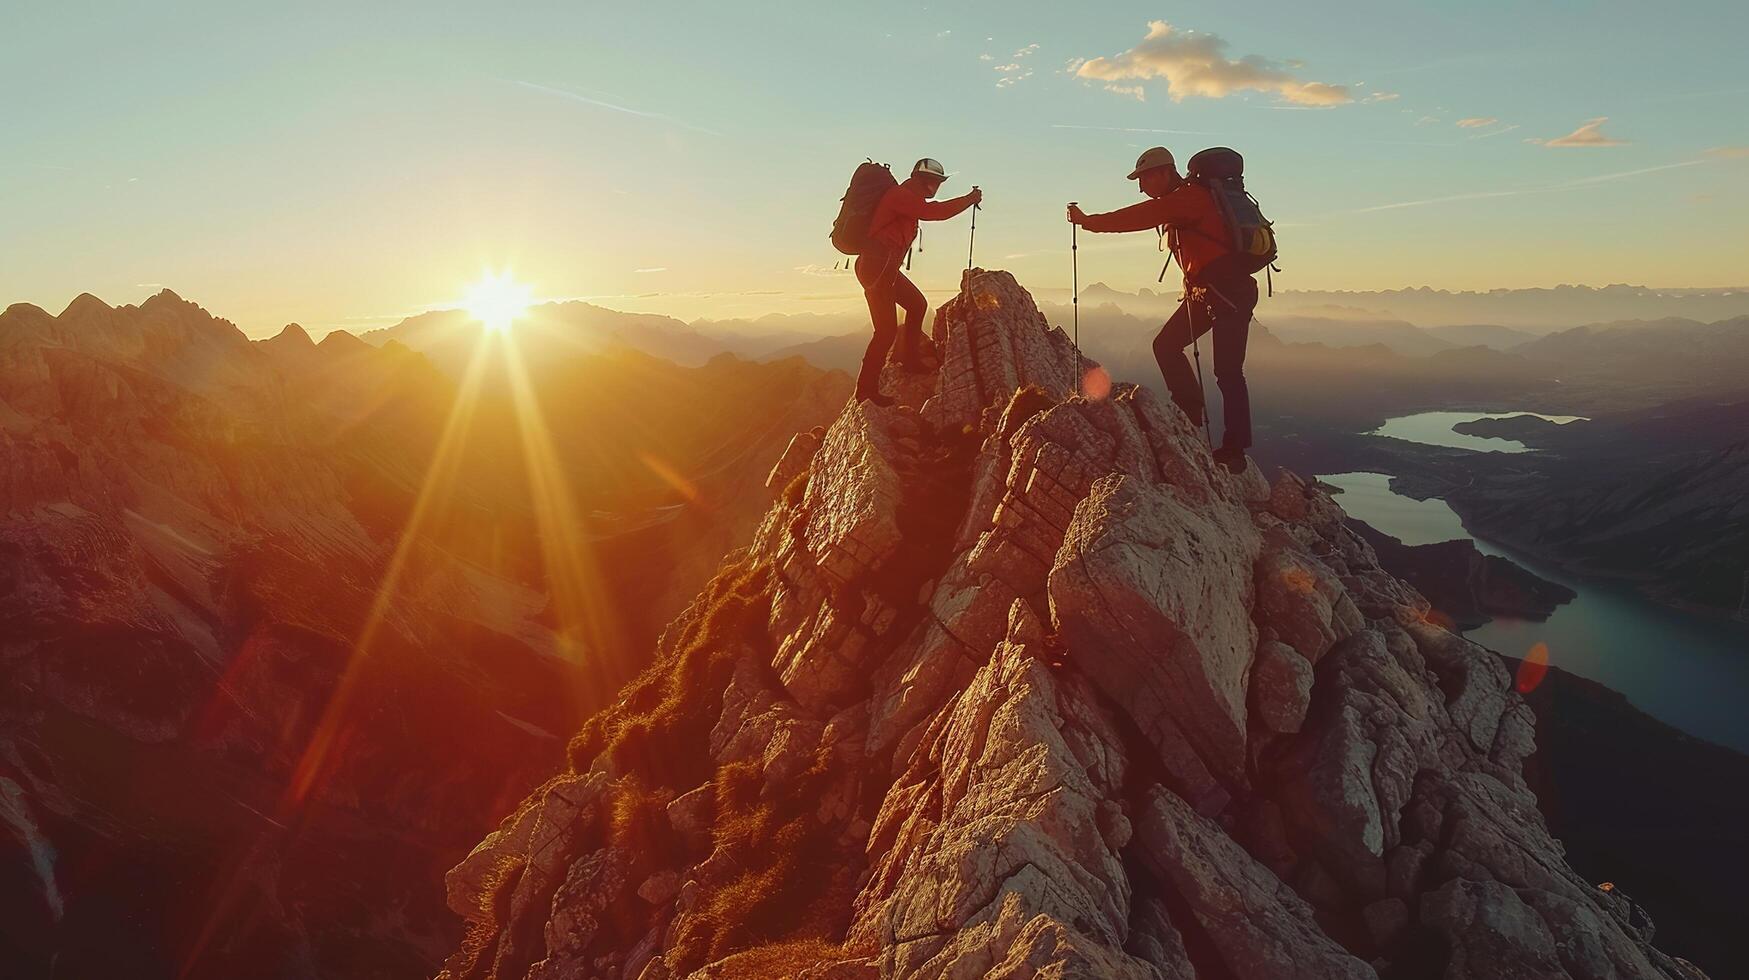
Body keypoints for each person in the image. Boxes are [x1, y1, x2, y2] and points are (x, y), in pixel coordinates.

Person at [1067, 147, 1259, 472]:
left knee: (1227, 372)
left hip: (1229, 295)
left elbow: (1135, 217)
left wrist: (1089, 222)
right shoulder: (1186, 199)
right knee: (1166, 345)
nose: (1142, 188)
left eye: (1143, 179)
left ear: (1162, 173)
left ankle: (1234, 450)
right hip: (1207, 294)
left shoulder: (1188, 198)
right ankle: (1188, 414)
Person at [854, 158, 982, 406]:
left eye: (939, 183)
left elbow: (929, 210)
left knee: (916, 305)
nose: (936, 187)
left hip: (883, 267)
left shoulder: (909, 199)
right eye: (934, 182)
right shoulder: (900, 196)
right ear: (921, 180)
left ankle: (909, 360)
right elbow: (935, 213)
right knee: (885, 331)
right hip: (875, 267)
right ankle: (865, 391)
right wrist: (968, 200)